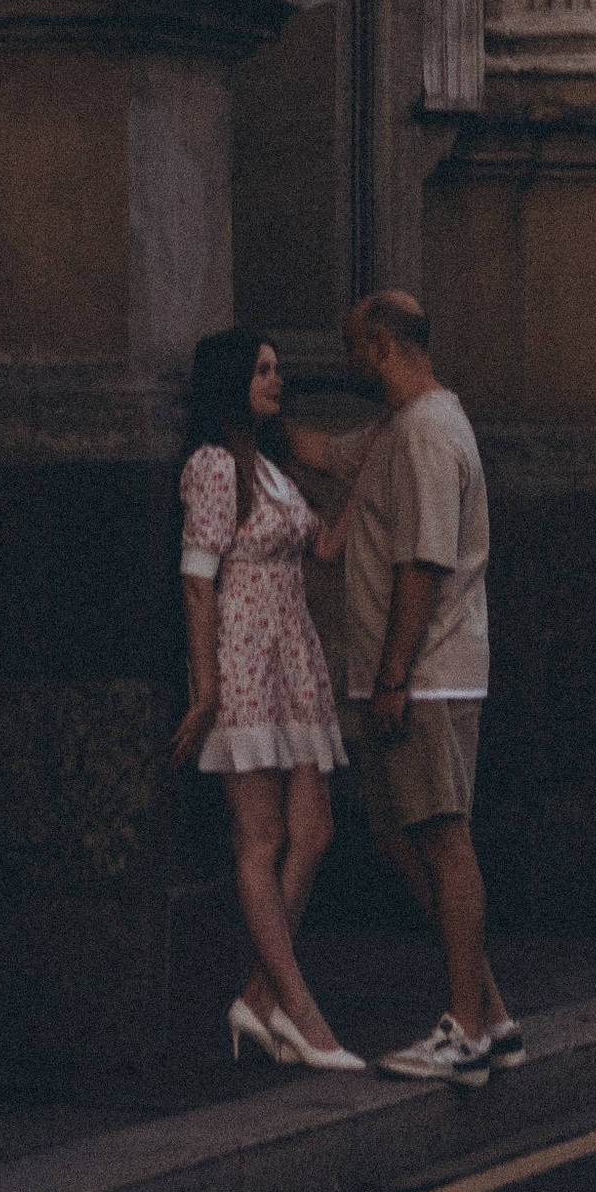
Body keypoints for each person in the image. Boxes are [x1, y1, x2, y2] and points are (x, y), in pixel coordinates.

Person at [290, 291, 520, 1088]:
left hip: (425, 677)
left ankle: (464, 1030)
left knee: (445, 841)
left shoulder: (426, 432)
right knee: (399, 838)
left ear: (383, 347)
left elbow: (423, 566)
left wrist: (392, 677)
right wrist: (245, 414)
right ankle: (490, 1013)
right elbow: (324, 456)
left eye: (351, 344)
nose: (344, 358)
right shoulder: (395, 429)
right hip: (408, 678)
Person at [173, 327, 363, 1074]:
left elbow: (324, 548)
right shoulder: (216, 466)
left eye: (279, 368)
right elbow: (196, 580)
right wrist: (207, 690)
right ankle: (303, 1013)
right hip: (247, 659)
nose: (276, 379)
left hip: (295, 657)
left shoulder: (272, 468)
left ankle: (258, 999)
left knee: (312, 831)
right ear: (230, 381)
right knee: (260, 841)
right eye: (262, 370)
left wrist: (366, 477)